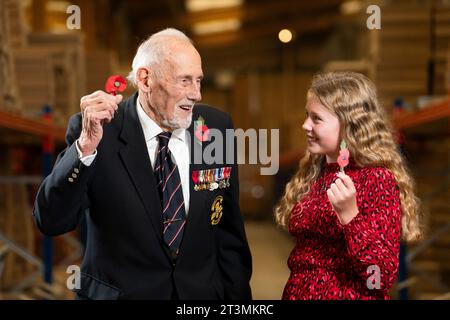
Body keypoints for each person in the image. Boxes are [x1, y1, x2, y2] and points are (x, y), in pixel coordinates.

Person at [33, 28, 252, 300]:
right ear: (145, 79)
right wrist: (85, 149)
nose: (196, 94)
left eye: (198, 80)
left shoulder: (216, 127)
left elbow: (229, 233)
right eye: (184, 81)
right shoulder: (100, 131)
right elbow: (51, 220)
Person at [275, 71, 422, 300]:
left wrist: (350, 217)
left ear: (347, 125)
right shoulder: (315, 170)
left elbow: (380, 278)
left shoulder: (377, 180)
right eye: (307, 115)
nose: (305, 125)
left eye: (316, 118)